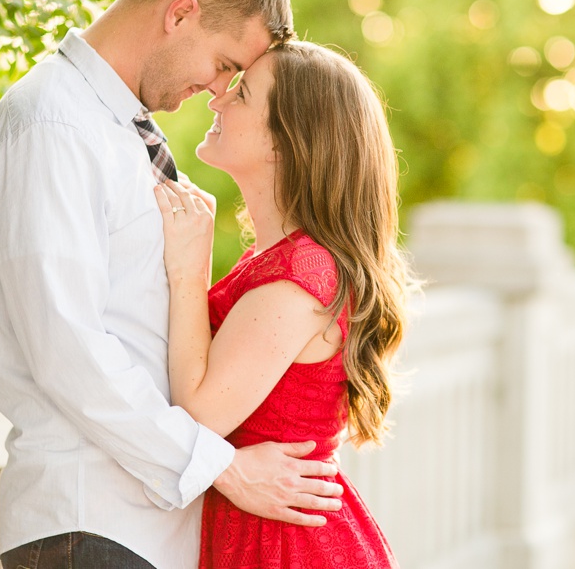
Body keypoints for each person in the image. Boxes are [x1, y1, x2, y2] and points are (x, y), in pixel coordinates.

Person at [0, 0, 343, 569]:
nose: (219, 89)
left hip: (141, 531)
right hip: (88, 523)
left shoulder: (122, 132)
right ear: (180, 15)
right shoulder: (54, 123)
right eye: (226, 65)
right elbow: (67, 349)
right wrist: (221, 468)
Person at [153, 40, 410, 567]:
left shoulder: (301, 274)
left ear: (284, 143)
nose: (217, 98)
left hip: (285, 548)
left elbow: (199, 414)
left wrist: (187, 271)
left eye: (242, 93)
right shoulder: (279, 259)